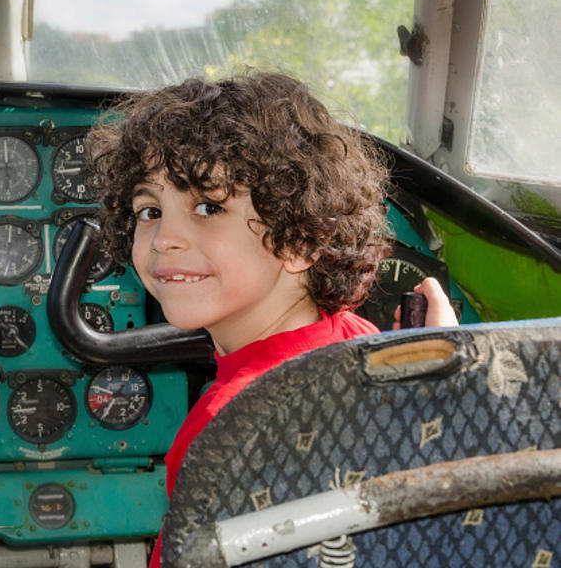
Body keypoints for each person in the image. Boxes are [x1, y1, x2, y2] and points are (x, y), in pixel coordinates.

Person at [85, 72, 458, 567]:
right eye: (149, 210)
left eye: (206, 206)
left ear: (299, 240)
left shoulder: (227, 424)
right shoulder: (359, 338)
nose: (163, 239)